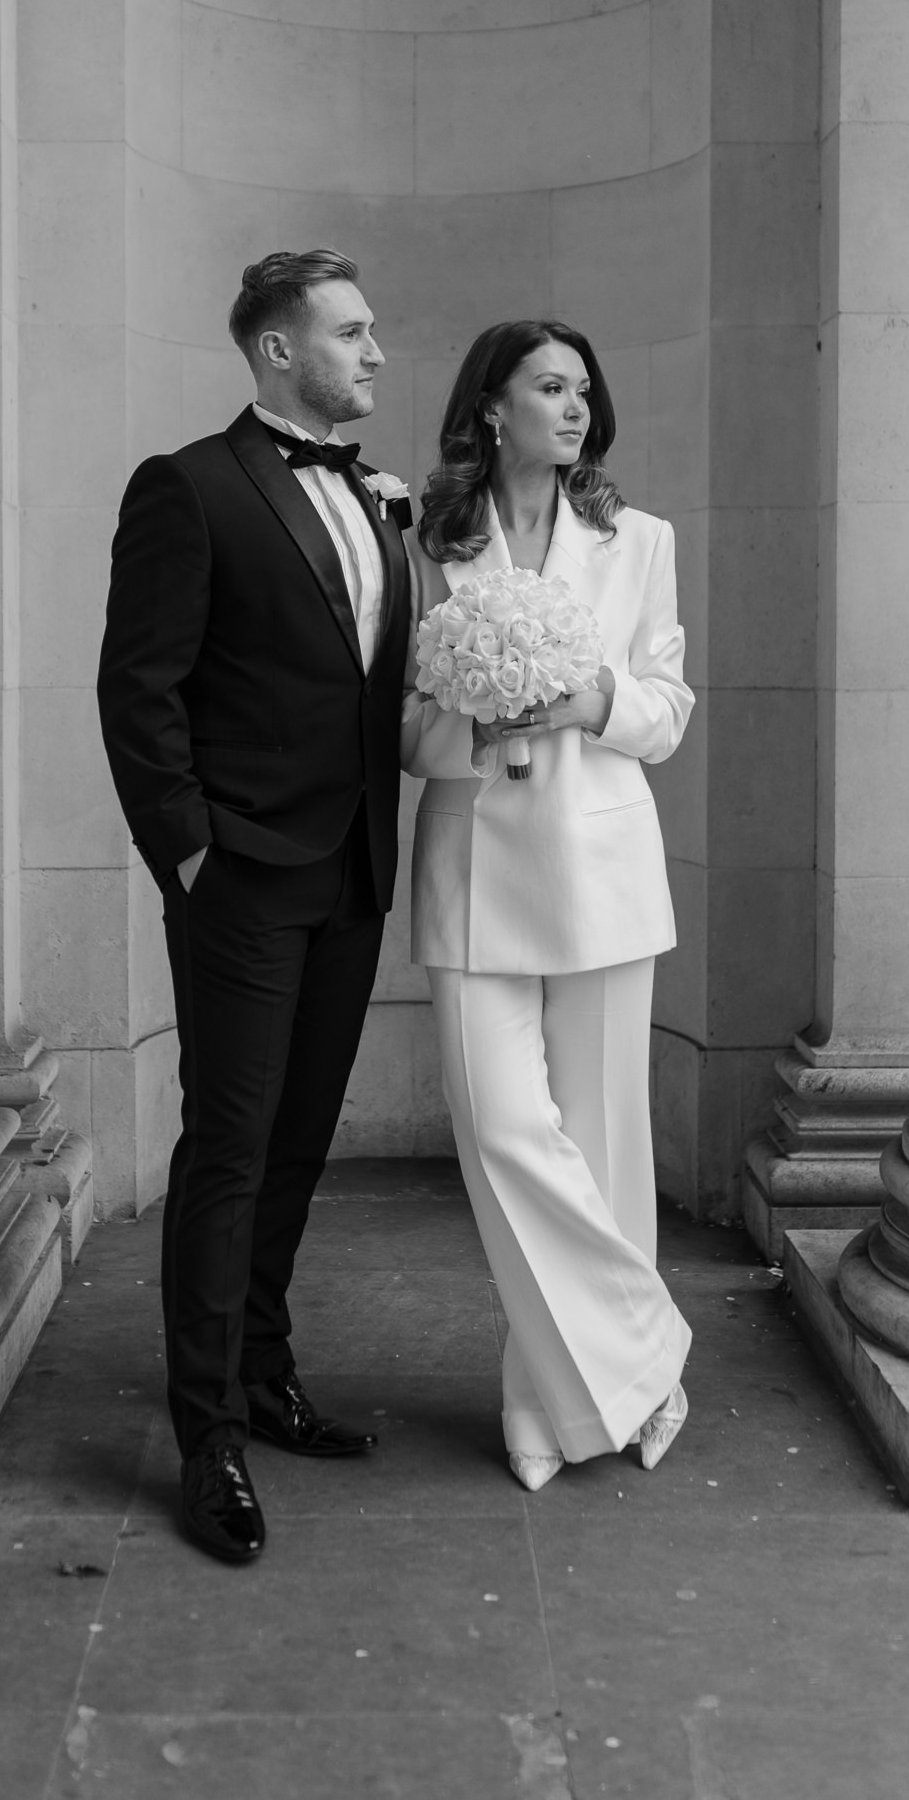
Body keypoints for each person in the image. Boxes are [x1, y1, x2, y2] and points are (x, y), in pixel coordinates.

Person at [97, 249, 411, 1563]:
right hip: (238, 878)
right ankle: (207, 1431)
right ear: (280, 350)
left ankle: (267, 1372)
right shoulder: (190, 487)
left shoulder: (380, 500)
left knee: (296, 1141)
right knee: (226, 1148)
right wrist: (187, 857)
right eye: (352, 331)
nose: (377, 352)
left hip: (351, 870)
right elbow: (139, 686)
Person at [401, 320, 694, 1489]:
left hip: (605, 873)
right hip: (473, 864)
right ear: (491, 408)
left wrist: (584, 700)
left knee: (605, 1138)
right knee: (503, 1131)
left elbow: (667, 709)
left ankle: (552, 1403)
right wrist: (467, 718)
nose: (574, 410)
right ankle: (650, 1357)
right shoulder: (424, 544)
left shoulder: (640, 542)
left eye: (584, 390)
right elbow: (405, 733)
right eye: (549, 388)